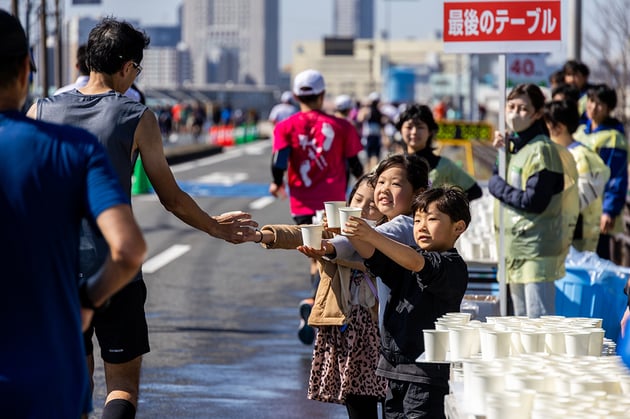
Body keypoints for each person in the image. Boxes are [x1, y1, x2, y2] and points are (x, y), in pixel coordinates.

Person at [28, 17, 258, 418]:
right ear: (126, 66)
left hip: (56, 271)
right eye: (137, 66)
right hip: (116, 269)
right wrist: (216, 228)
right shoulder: (137, 117)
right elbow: (171, 199)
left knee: (73, 388)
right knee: (121, 387)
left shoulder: (41, 110)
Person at [0, 9, 146, 417]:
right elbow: (128, 249)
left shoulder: (46, 114)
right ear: (25, 67)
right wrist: (85, 300)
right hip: (42, 365)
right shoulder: (70, 148)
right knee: (118, 385)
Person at [244, 174, 387, 418]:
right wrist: (261, 235)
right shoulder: (334, 230)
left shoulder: (388, 236)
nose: (362, 208)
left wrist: (329, 251)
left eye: (372, 205)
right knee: (359, 407)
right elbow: (299, 234)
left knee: (393, 405)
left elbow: (366, 260)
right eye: (358, 199)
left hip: (381, 331)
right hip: (348, 329)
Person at [344, 186, 471, 419]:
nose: (421, 226)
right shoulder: (409, 255)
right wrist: (350, 231)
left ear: (458, 227)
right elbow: (372, 255)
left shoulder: (452, 265)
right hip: (395, 370)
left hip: (427, 374)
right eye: (417, 220)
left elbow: (417, 263)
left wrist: (372, 234)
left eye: (432, 219)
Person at [269, 68, 364, 344]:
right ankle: (323, 307)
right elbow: (356, 164)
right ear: (322, 95)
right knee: (331, 254)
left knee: (314, 256)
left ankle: (316, 303)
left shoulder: (285, 126)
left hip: (302, 201)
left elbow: (278, 160)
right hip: (333, 202)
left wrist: (277, 183)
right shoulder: (342, 126)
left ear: (297, 95)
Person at [300, 154, 430, 340]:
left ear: (418, 193)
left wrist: (329, 245)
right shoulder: (389, 223)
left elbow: (369, 238)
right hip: (396, 324)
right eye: (381, 182)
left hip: (400, 327)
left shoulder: (405, 224)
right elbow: (363, 240)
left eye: (395, 184)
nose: (385, 189)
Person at [489, 83, 579, 318]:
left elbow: (535, 201)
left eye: (522, 108)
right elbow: (505, 180)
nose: (514, 113)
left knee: (538, 321)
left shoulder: (542, 150)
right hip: (515, 247)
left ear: (537, 113)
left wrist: (497, 187)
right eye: (510, 107)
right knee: (520, 322)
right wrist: (501, 156)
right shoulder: (517, 148)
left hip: (536, 249)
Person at [543, 100, 610, 253]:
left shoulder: (582, 157)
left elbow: (577, 202)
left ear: (559, 127)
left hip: (578, 246)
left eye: (546, 128)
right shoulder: (559, 153)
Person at [573, 83, 628, 261]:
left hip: (598, 213)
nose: (593, 107)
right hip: (577, 208)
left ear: (608, 108)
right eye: (591, 101)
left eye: (600, 104)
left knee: (596, 262)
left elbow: (616, 177)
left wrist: (609, 210)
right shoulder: (580, 132)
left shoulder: (613, 139)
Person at [398, 103, 482, 202]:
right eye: (409, 127)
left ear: (430, 131)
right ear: (400, 130)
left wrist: (445, 208)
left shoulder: (444, 165)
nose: (414, 132)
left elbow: (475, 191)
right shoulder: (394, 164)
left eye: (420, 127)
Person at [357, 91, 387, 171]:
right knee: (374, 156)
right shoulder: (378, 112)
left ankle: (369, 173)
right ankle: (372, 172)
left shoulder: (368, 111)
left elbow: (360, 119)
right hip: (374, 135)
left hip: (370, 135)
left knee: (369, 156)